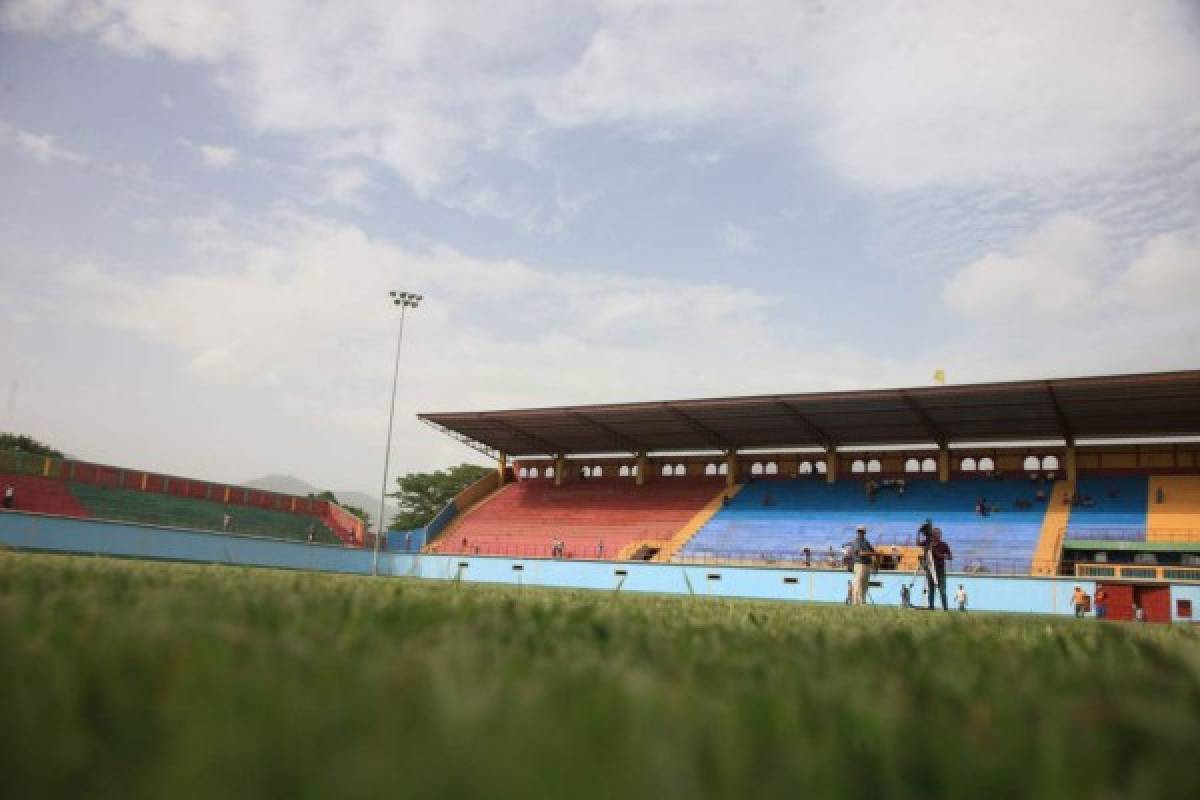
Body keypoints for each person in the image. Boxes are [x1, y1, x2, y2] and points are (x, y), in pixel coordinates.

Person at [922, 527, 952, 611]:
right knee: (931, 590)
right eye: (936, 534)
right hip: (930, 570)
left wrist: (939, 555)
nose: (938, 535)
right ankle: (931, 606)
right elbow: (918, 543)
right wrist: (918, 532)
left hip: (940, 570)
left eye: (939, 534)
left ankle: (945, 608)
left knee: (942, 590)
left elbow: (950, 557)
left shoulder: (944, 545)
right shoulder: (928, 544)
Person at [846, 525, 876, 606]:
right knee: (858, 582)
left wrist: (874, 554)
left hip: (867, 564)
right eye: (859, 531)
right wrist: (873, 553)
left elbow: (872, 551)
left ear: (864, 532)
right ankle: (856, 601)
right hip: (859, 563)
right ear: (857, 532)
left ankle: (862, 601)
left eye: (862, 531)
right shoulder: (856, 541)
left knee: (865, 583)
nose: (861, 533)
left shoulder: (866, 542)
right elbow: (860, 553)